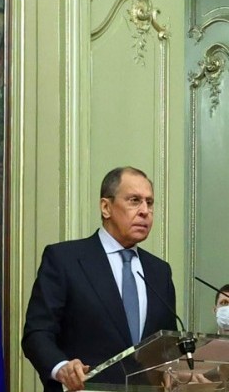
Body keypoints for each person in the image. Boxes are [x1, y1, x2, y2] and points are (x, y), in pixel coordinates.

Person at [22, 166, 177, 392]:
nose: (145, 211)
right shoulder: (65, 259)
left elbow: (168, 345)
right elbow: (37, 333)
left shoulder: (159, 271)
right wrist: (62, 368)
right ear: (106, 207)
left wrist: (179, 372)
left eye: (149, 202)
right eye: (134, 200)